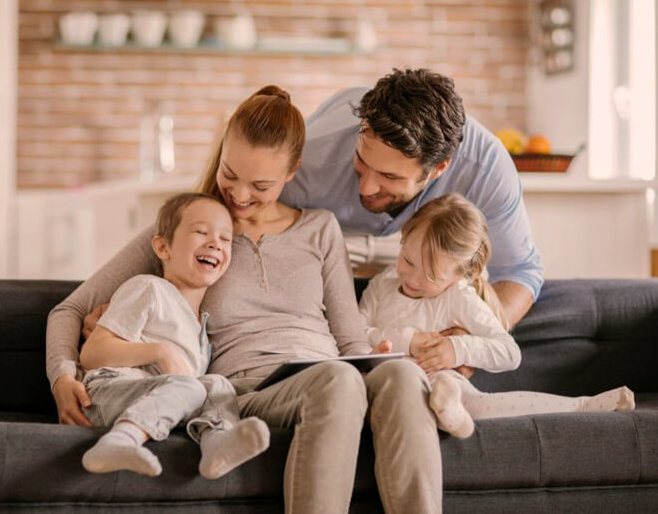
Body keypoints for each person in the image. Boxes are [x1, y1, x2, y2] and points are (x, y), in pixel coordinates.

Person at [47, 85, 443, 514]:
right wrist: (62, 377)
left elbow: (349, 339)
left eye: (260, 184)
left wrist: (374, 357)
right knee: (339, 381)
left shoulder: (320, 229)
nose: (238, 195)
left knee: (401, 375)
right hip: (250, 387)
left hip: (329, 368)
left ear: (292, 171)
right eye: (229, 174)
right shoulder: (194, 231)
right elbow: (70, 308)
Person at [280, 68, 544, 327]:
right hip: (327, 231)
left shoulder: (485, 167)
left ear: (439, 168)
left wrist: (470, 340)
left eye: (390, 176)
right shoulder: (307, 159)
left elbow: (519, 272)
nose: (366, 187)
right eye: (361, 161)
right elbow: (245, 200)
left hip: (413, 248)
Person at [359, 194, 635, 439]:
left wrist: (457, 349)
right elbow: (354, 332)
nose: (411, 276)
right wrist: (408, 340)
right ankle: (454, 418)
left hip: (439, 382)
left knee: (473, 400)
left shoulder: (458, 296)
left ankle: (583, 406)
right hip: (388, 383)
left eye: (431, 275)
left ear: (461, 275)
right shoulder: (383, 283)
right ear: (403, 238)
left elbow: (508, 352)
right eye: (407, 259)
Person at [78, 192, 269, 478]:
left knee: (217, 384)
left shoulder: (200, 329)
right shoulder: (149, 289)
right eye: (201, 232)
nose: (215, 242)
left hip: (159, 400)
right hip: (108, 393)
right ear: (163, 247)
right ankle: (119, 440)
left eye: (225, 238)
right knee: (191, 387)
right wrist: (160, 352)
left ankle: (216, 444)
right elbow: (92, 353)